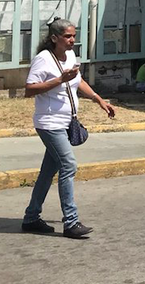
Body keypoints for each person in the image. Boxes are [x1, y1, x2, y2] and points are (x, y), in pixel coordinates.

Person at [22, 18, 115, 239]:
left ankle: (31, 218)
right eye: (67, 36)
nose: (72, 40)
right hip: (49, 123)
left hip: (65, 122)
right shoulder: (43, 59)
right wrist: (59, 79)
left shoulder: (71, 56)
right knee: (69, 164)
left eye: (74, 36)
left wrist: (98, 99)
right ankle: (71, 222)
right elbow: (29, 89)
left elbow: (78, 81)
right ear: (54, 38)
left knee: (47, 173)